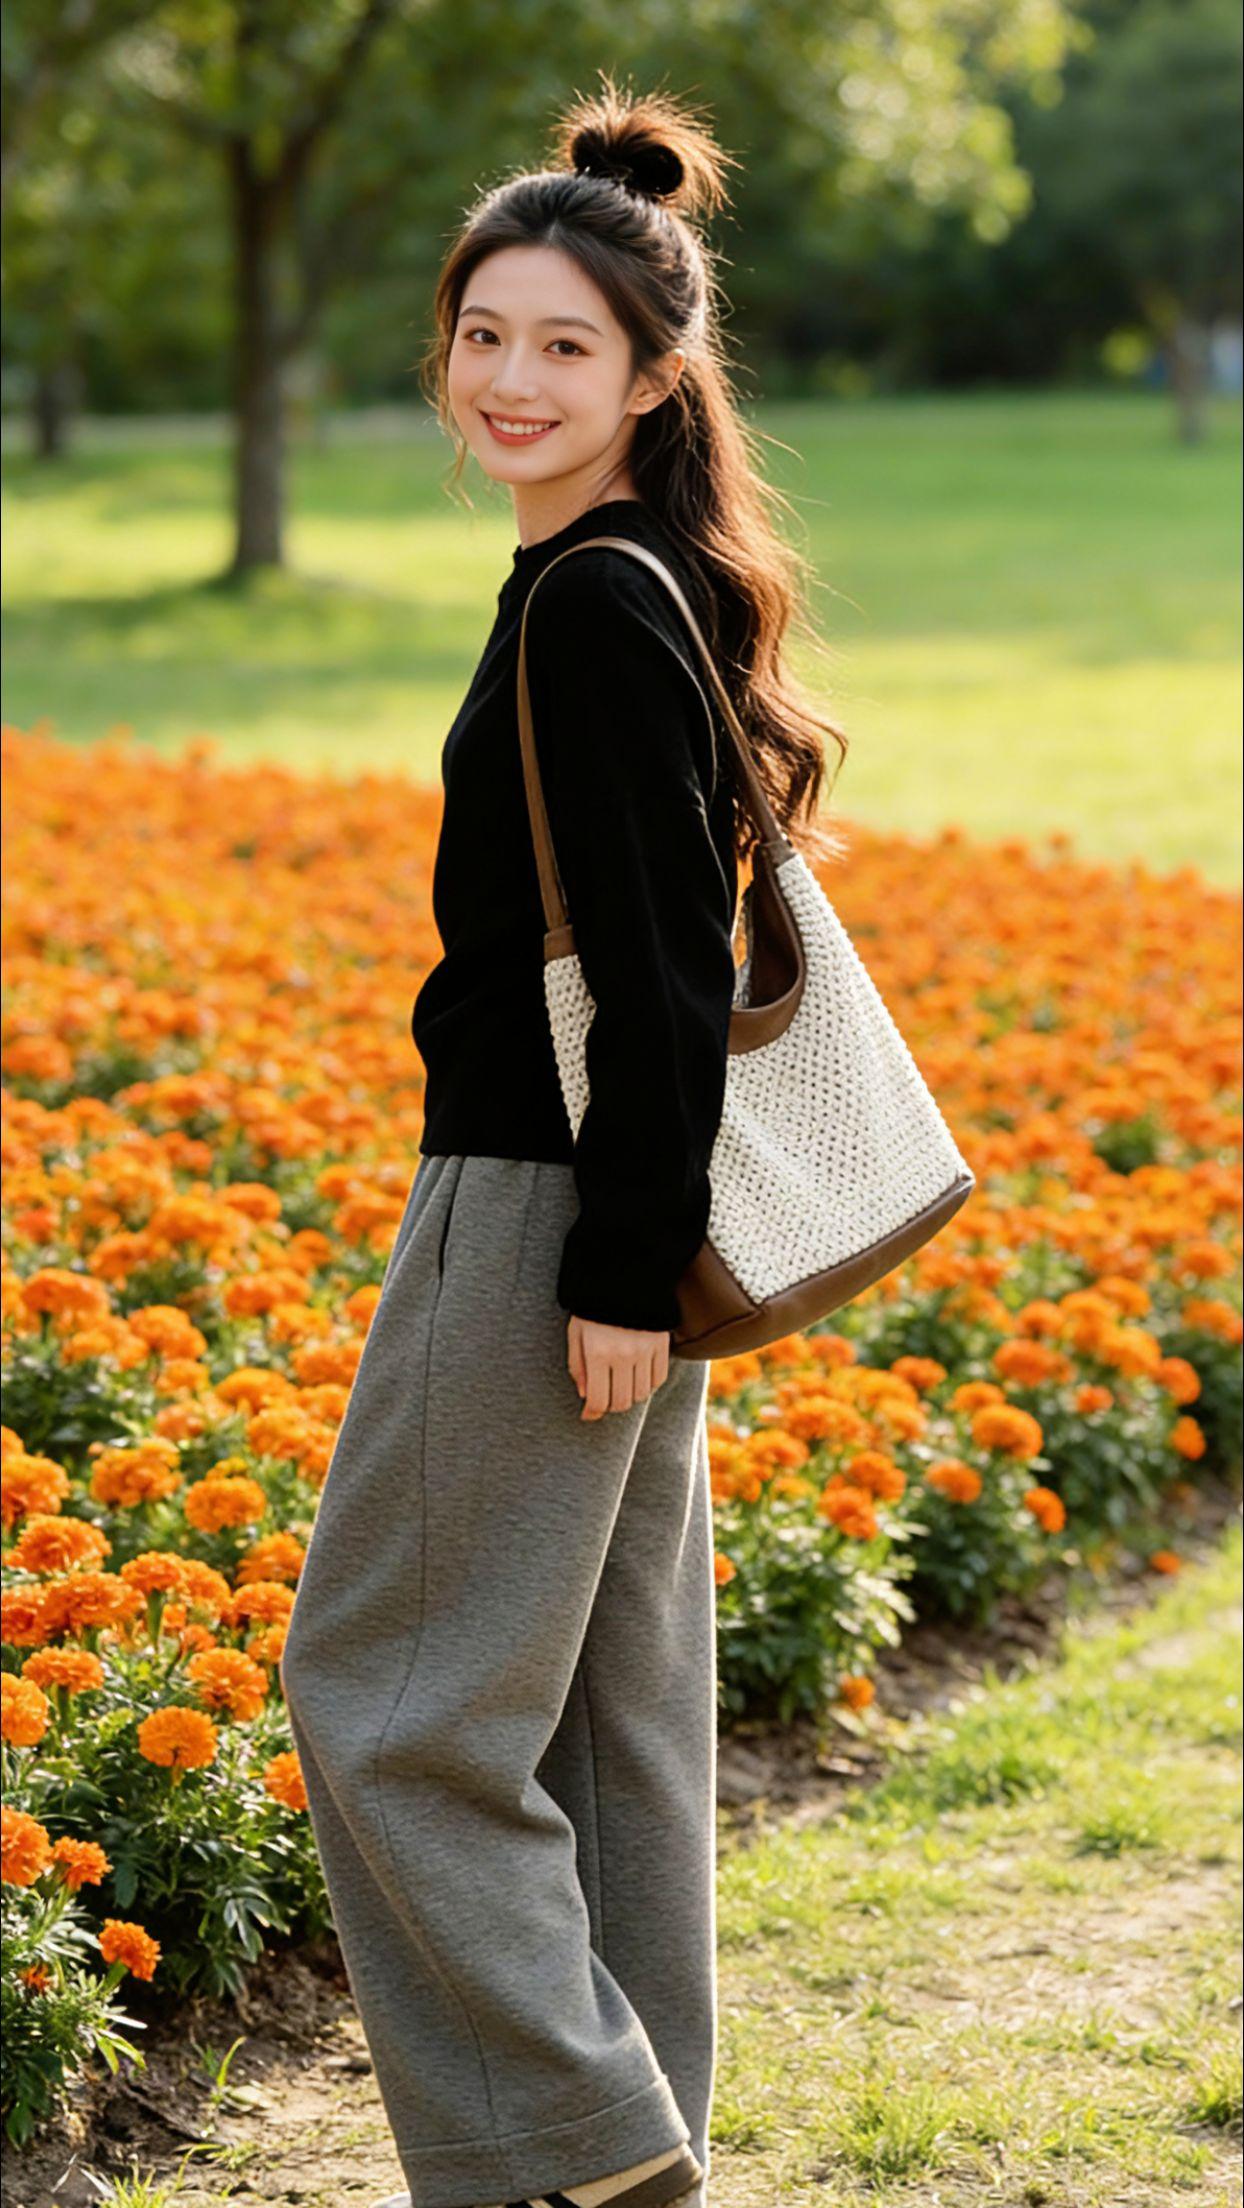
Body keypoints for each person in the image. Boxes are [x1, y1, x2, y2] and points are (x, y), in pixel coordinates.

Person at [279, 72, 844, 2208]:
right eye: (482, 335)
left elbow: (664, 966)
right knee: (611, 1726)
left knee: (383, 1697)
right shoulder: (617, 576)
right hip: (598, 1208)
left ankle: (589, 2144)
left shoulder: (597, 602)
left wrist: (614, 1264)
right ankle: (618, 2145)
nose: (509, 380)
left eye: (564, 347)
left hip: (545, 1212)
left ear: (653, 377)